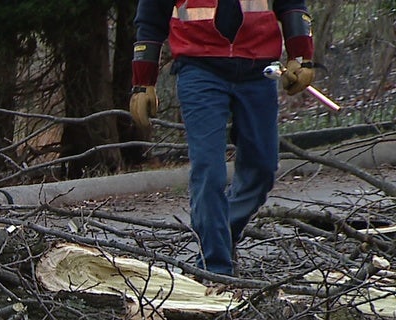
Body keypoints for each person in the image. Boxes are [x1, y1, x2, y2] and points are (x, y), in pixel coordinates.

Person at [130, 0, 315, 277]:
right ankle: (216, 270)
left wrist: (301, 56)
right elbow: (150, 19)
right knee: (208, 169)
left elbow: (292, 5)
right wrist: (143, 82)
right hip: (199, 69)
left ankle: (221, 231)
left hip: (258, 68)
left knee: (262, 168)